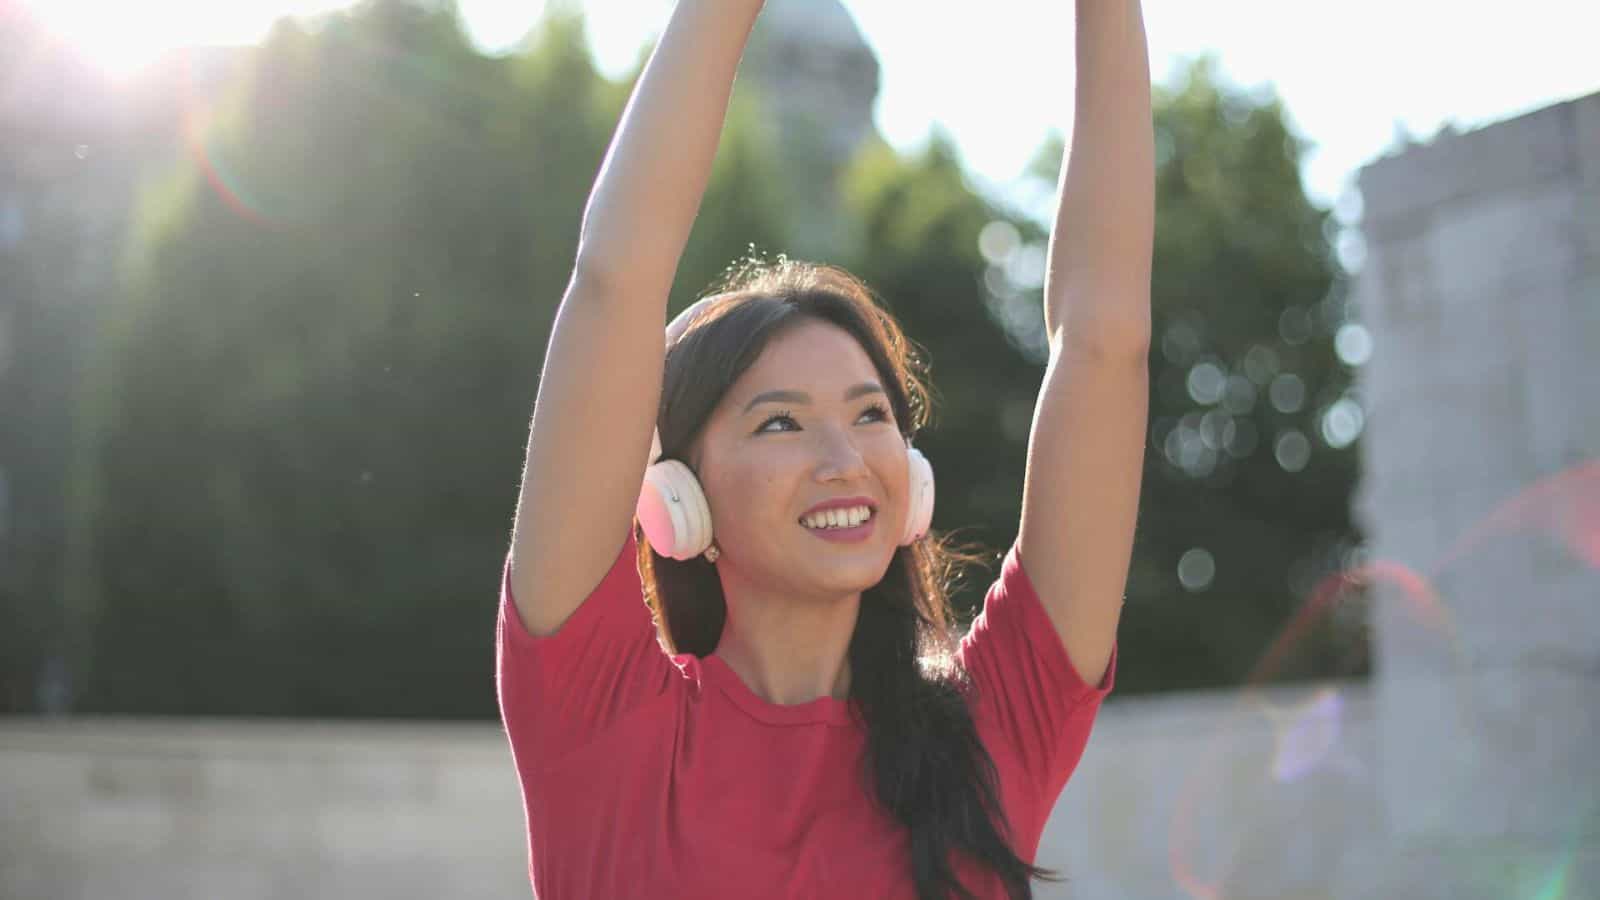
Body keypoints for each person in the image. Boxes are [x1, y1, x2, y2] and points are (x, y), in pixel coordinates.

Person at [496, 0, 1152, 897]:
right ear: (675, 497)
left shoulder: (994, 727)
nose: (843, 457)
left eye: (871, 415)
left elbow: (1105, 345)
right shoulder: (598, 714)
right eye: (780, 422)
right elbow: (614, 277)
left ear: (910, 478)